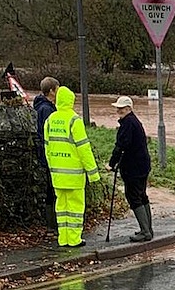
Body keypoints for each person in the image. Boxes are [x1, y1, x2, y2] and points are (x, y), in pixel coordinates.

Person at [44, 86, 100, 247]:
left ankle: (63, 238)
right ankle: (74, 239)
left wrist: (53, 168)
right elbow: (84, 149)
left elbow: (47, 148)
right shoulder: (74, 120)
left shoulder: (50, 120)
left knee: (61, 208)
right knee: (75, 208)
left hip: (57, 175)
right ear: (71, 101)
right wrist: (93, 173)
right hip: (74, 175)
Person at [108, 96, 153, 242]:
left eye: (121, 108)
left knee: (134, 197)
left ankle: (145, 232)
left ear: (128, 109)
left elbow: (121, 146)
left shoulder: (127, 124)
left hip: (133, 168)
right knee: (142, 195)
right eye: (117, 108)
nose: (117, 111)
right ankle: (148, 229)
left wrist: (111, 164)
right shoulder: (134, 122)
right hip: (143, 165)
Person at [33, 77, 59, 232]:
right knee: (52, 189)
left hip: (46, 154)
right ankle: (52, 224)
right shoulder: (47, 109)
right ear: (51, 91)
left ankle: (52, 223)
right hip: (49, 155)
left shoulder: (42, 106)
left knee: (51, 188)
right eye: (57, 89)